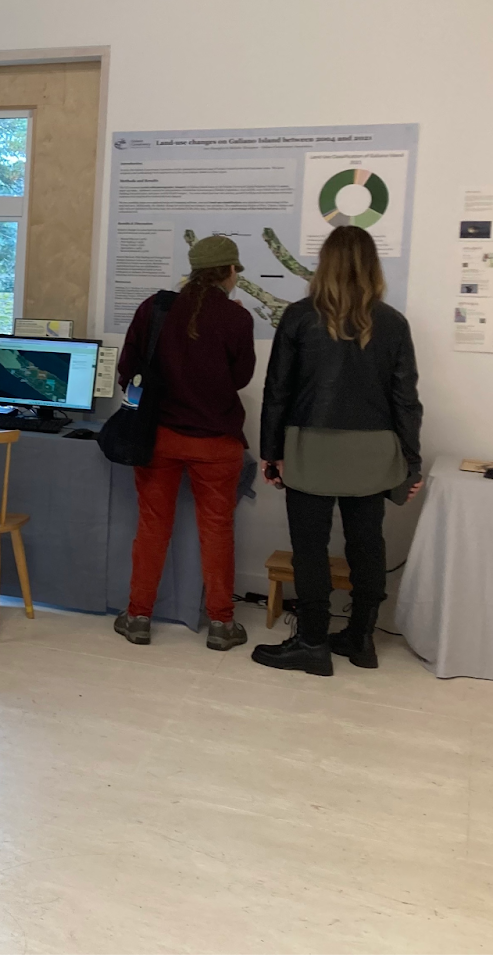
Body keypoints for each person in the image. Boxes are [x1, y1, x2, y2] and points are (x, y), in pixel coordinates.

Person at [253, 225, 422, 676]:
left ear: (324, 263)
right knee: (368, 544)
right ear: (373, 266)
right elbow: (406, 398)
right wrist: (411, 461)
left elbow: (277, 391)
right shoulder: (393, 323)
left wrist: (271, 453)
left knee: (310, 547)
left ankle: (312, 641)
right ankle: (361, 639)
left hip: (311, 447)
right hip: (374, 451)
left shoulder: (299, 316)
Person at [113, 235, 256, 650]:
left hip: (159, 438)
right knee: (216, 531)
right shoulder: (236, 318)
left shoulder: (154, 308)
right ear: (229, 273)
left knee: (153, 527)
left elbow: (128, 370)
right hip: (217, 444)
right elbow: (240, 378)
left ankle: (138, 617)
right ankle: (221, 624)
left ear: (193, 271)